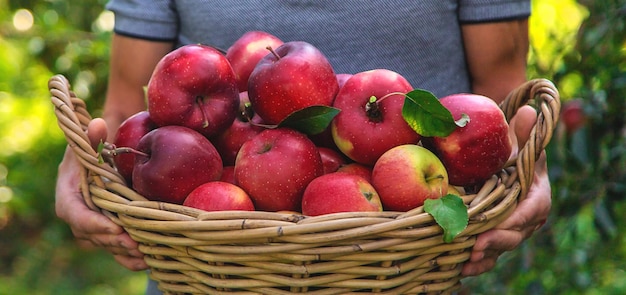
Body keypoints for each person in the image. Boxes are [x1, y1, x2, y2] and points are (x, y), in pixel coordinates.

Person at [54, 0, 551, 293]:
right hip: (211, 265)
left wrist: (528, 169)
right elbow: (126, 108)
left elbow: (503, 102)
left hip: (417, 255)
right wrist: (85, 165)